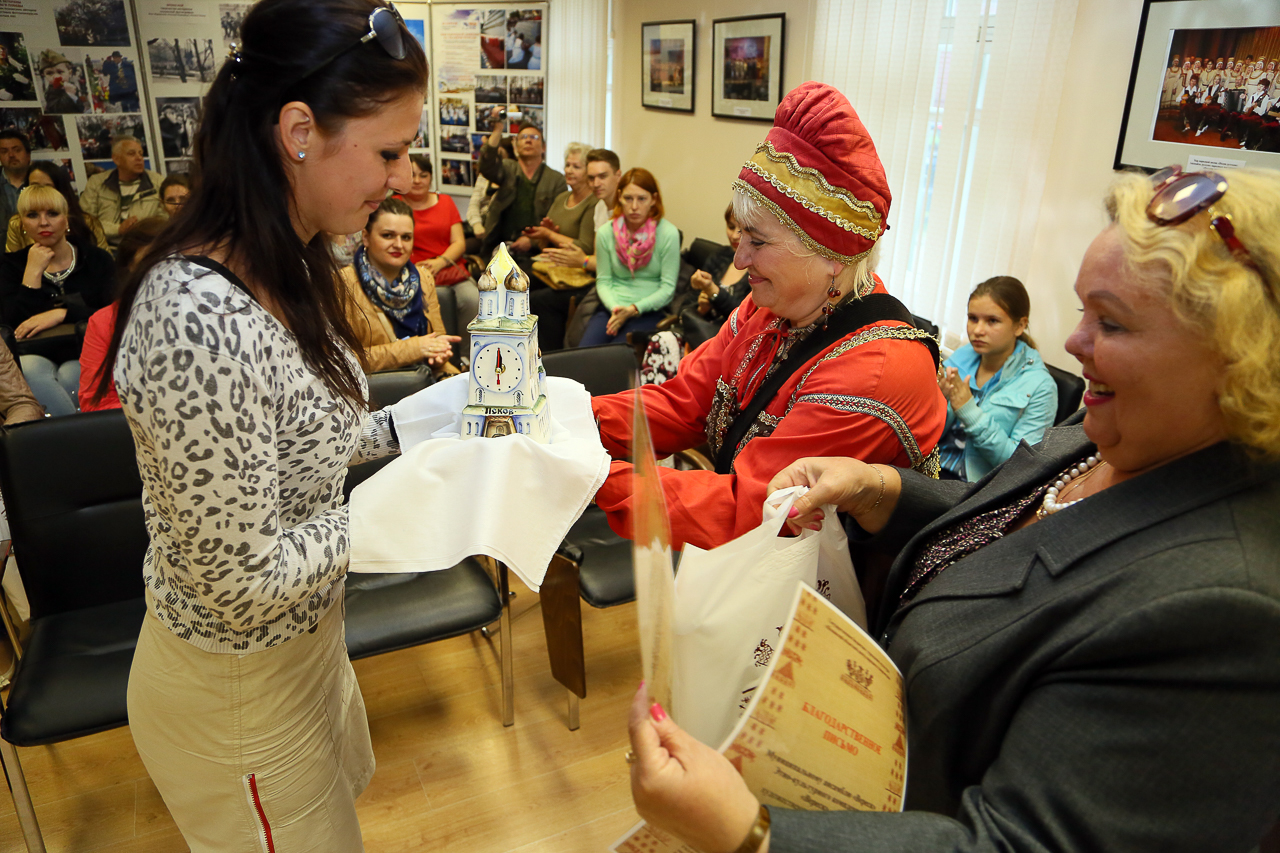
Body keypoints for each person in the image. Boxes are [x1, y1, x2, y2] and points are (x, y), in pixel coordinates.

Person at [625, 165, 1280, 853]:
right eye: (1083, 310)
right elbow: (1017, 517)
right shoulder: (1114, 434)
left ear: (1241, 356)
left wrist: (751, 832)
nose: (1074, 343)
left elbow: (1020, 841)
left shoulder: (1227, 611)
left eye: (1110, 321)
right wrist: (881, 488)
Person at [94, 1, 426, 848]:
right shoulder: (195, 318)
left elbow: (311, 440)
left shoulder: (294, 260)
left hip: (308, 649)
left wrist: (433, 424)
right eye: (388, 152)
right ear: (300, 131)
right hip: (239, 696)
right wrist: (411, 505)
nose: (401, 178)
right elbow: (241, 579)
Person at [589, 83, 945, 551]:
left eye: (757, 242)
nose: (739, 260)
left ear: (831, 252)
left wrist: (585, 476)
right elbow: (684, 403)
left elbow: (753, 509)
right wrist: (563, 420)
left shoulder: (875, 369)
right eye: (741, 237)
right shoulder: (770, 308)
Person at [0, 185, 114, 415]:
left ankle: (67, 436)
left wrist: (63, 313)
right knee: (31, 371)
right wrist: (32, 273)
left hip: (85, 348)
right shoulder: (10, 265)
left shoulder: (95, 259)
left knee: (72, 374)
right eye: (33, 215)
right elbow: (9, 325)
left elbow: (113, 315)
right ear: (22, 224)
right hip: (32, 352)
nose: (43, 222)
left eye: (52, 214)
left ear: (66, 219)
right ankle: (81, 434)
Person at [936, 276, 1057, 481]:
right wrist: (938, 401)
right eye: (973, 318)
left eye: (992, 321)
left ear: (1020, 325)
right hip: (933, 465)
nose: (977, 330)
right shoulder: (962, 356)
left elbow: (1021, 466)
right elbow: (932, 433)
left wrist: (969, 411)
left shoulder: (1041, 386)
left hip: (974, 487)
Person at [339, 197, 459, 374]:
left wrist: (439, 354)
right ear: (366, 237)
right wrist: (413, 349)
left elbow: (437, 339)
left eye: (406, 237)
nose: (398, 245)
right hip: (376, 385)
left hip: (427, 376)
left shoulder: (423, 278)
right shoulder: (342, 284)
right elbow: (342, 361)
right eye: (387, 235)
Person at [577, 167, 678, 347]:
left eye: (642, 199)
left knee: (616, 355)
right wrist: (617, 309)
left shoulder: (668, 233)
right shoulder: (605, 233)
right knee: (584, 352)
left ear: (653, 200)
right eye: (628, 198)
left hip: (648, 311)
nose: (634, 207)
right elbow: (604, 281)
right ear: (619, 198)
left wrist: (633, 309)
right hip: (612, 308)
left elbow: (667, 289)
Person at [78, 216, 168, 412]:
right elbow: (93, 402)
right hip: (130, 426)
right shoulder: (104, 322)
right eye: (149, 262)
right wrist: (156, 415)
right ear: (130, 266)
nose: (162, 272)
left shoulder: (204, 314)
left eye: (170, 261)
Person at [399, 153, 477, 352]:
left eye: (423, 175)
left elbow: (459, 243)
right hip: (412, 274)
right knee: (435, 301)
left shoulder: (445, 202)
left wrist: (440, 262)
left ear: (431, 178)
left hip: (448, 269)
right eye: (412, 175)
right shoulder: (395, 205)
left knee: (473, 299)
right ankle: (438, 354)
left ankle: (467, 356)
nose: (417, 180)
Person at [527, 142, 599, 351]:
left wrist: (551, 234)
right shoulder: (561, 198)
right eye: (567, 165)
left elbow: (584, 247)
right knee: (516, 282)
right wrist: (546, 235)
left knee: (537, 299)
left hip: (578, 273)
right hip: (551, 266)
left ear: (588, 172)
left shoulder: (594, 203)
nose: (569, 170)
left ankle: (551, 353)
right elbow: (545, 244)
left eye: (576, 166)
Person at [477, 120, 566, 259]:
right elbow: (487, 166)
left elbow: (558, 222)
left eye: (534, 137)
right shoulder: (507, 168)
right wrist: (498, 130)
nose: (528, 141)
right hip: (498, 245)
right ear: (516, 146)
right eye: (523, 137)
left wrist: (532, 241)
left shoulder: (556, 180)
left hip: (538, 250)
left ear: (543, 147)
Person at [681, 203, 749, 350]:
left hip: (730, 345)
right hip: (698, 334)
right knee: (663, 339)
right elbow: (685, 306)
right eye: (730, 227)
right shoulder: (720, 256)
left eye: (741, 230)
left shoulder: (759, 270)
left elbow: (746, 319)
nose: (734, 236)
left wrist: (714, 292)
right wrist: (701, 308)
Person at [79, 135, 164, 247]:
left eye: (141, 154)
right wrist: (118, 229)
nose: (139, 158)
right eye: (132, 154)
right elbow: (85, 222)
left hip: (144, 246)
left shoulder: (157, 182)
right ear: (116, 159)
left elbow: (164, 221)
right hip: (105, 247)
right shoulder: (97, 183)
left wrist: (140, 230)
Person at [5, 160, 108, 252]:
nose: (42, 192)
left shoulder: (88, 222)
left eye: (48, 187)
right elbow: (11, 262)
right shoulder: (17, 223)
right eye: (35, 186)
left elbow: (104, 261)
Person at [36, 49, 86, 114]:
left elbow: (80, 107)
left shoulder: (71, 86)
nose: (56, 76)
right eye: (49, 73)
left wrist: (76, 100)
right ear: (44, 76)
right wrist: (69, 94)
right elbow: (58, 110)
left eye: (60, 72)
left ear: (69, 73)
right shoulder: (50, 92)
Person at [0, 129, 29, 227]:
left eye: (17, 150)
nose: (11, 155)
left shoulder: (42, 181)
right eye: (4, 152)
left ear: (28, 154)